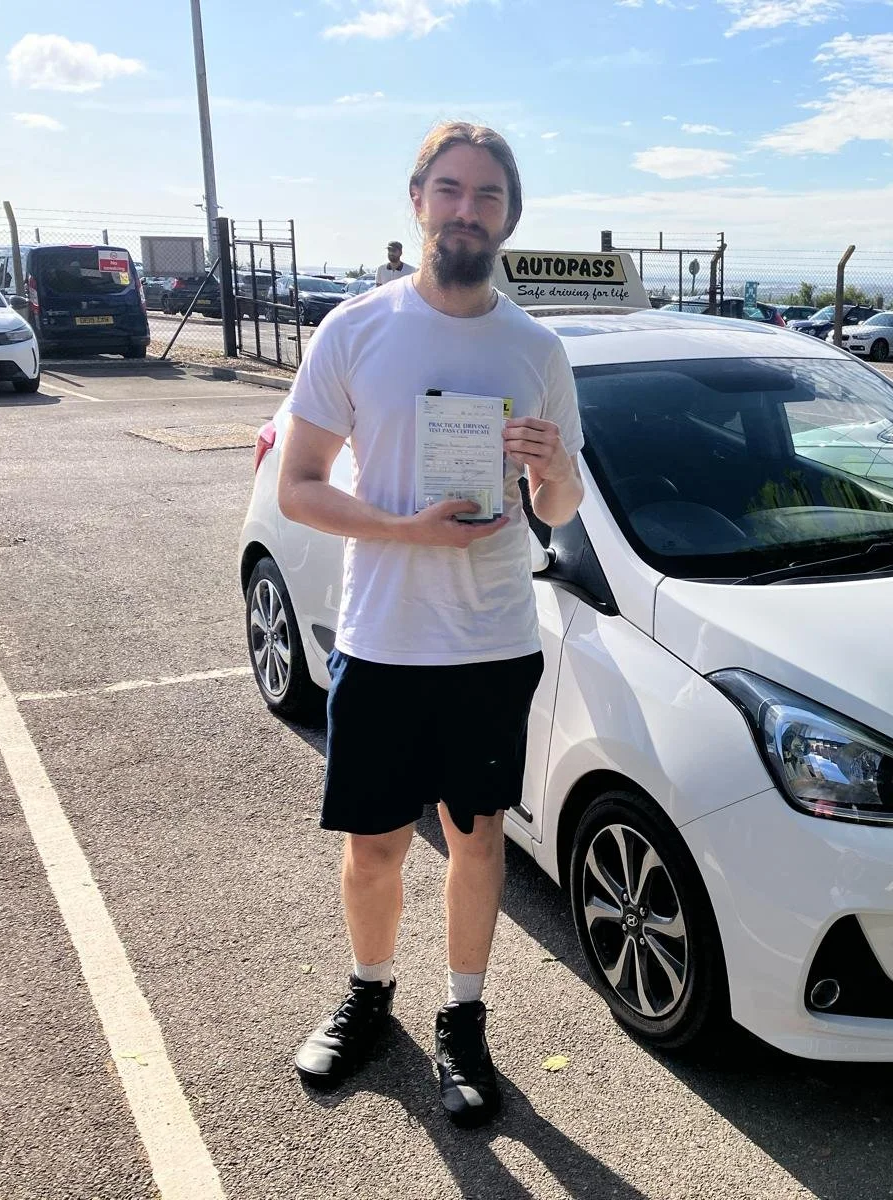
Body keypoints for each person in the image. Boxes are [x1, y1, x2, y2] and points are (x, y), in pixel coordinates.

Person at [278, 120, 584, 1128]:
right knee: (373, 847)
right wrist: (405, 530)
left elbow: (561, 509)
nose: (466, 209)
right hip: (380, 635)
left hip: (491, 640)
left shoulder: (536, 348)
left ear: (508, 215)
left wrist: (547, 468)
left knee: (477, 838)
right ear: (417, 201)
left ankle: (463, 1017)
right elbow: (301, 487)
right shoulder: (355, 330)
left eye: (486, 194)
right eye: (449, 189)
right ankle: (369, 994)